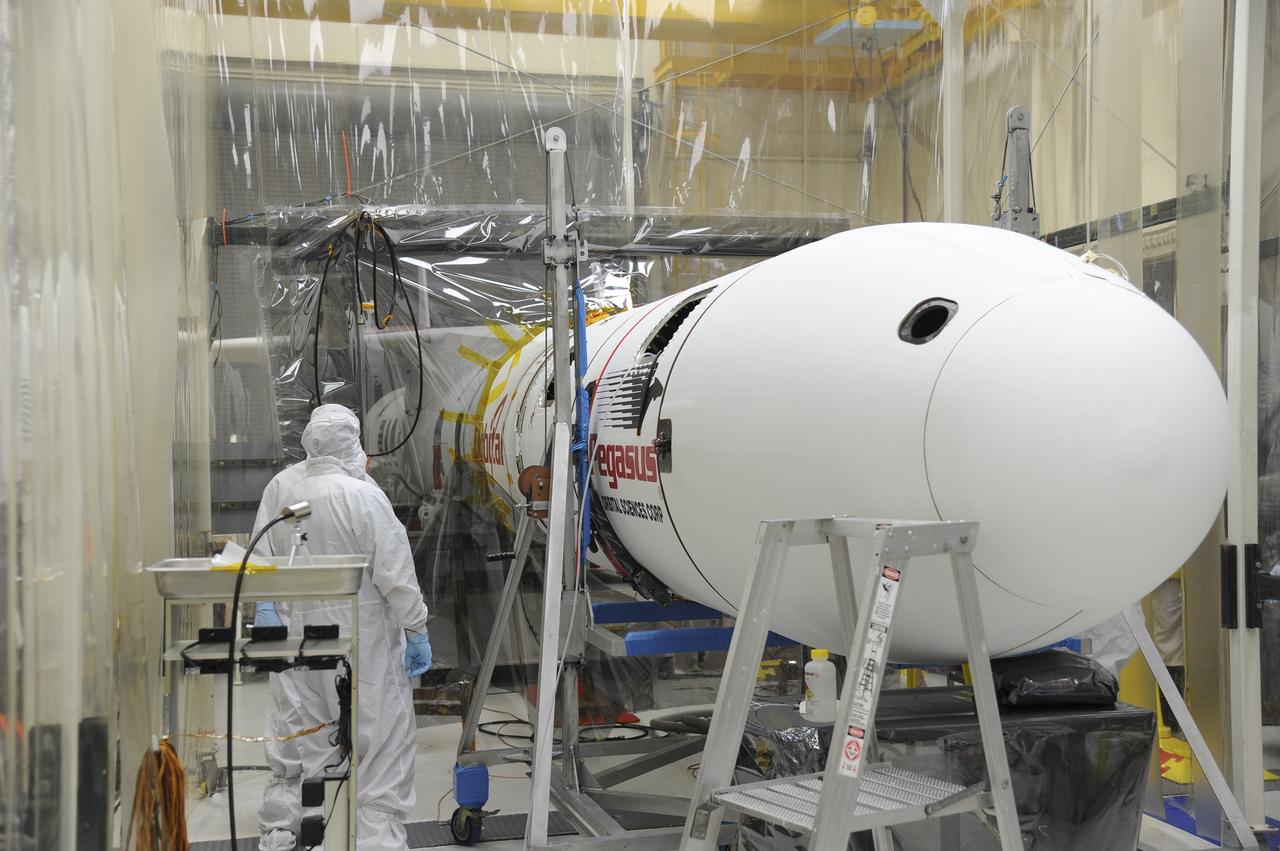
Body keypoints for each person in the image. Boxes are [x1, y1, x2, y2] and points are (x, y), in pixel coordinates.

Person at [255, 405, 432, 851]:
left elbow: (264, 563)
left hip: (307, 643)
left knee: (319, 743)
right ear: (353, 446)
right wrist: (416, 628)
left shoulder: (288, 496)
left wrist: (269, 609)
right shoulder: (363, 494)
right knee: (382, 744)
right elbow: (395, 573)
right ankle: (376, 841)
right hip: (365, 639)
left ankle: (328, 835)